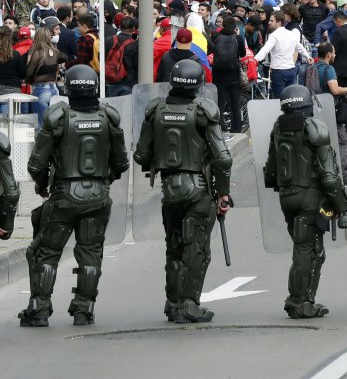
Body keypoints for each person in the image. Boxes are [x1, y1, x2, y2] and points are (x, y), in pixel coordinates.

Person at [17, 65, 128, 327]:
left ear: (67, 88)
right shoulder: (108, 118)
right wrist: (106, 179)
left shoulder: (58, 119)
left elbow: (36, 164)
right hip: (98, 194)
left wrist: (42, 185)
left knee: (45, 252)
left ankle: (39, 309)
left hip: (64, 195)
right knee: (91, 253)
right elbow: (121, 162)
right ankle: (84, 310)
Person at [133, 60, 233, 324]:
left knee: (175, 247)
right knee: (196, 248)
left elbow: (141, 154)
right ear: (198, 84)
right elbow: (223, 158)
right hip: (199, 189)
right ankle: (189, 304)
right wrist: (223, 193)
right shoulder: (203, 111)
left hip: (169, 189)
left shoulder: (155, 110)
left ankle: (174, 303)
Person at [264, 84, 347, 318]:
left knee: (305, 247)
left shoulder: (278, 127)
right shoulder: (315, 128)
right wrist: (342, 207)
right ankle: (300, 301)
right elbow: (329, 176)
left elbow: (271, 169)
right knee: (308, 250)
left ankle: (301, 299)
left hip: (287, 196)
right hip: (309, 197)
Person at [255, 11, 311, 98]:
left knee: (279, 99)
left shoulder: (274, 36)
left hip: (279, 72)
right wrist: (308, 57)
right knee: (290, 98)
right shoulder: (291, 34)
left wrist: (254, 60)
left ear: (279, 22)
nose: (269, 23)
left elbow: (265, 49)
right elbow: (300, 47)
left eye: (272, 21)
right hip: (291, 71)